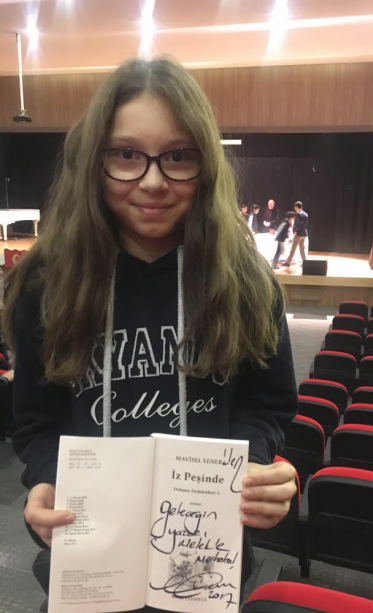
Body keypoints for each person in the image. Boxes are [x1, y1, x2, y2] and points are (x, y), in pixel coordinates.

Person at [2, 58, 298, 612]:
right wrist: (45, 479)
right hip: (89, 559)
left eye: (179, 156)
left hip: (204, 564)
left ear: (205, 164)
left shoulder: (248, 282)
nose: (154, 181)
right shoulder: (45, 284)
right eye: (126, 154)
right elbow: (37, 422)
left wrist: (259, 467)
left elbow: (267, 406)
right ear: (95, 161)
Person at [285, 201, 309, 268]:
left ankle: (288, 262)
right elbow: (304, 224)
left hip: (298, 234)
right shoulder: (305, 214)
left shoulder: (298, 214)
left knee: (293, 248)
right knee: (302, 249)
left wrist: (296, 231)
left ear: (296, 207)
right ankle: (305, 262)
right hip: (304, 233)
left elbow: (299, 224)